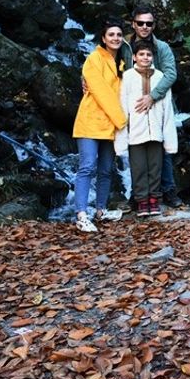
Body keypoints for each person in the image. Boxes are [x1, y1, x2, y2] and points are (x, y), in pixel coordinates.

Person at [71, 20, 129, 233]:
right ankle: (81, 215)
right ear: (103, 38)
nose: (115, 38)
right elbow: (102, 93)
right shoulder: (93, 59)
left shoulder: (122, 62)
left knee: (106, 169)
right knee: (87, 166)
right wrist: (123, 121)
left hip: (110, 125)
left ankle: (101, 210)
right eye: (111, 34)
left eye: (119, 34)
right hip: (91, 121)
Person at [123, 5, 184, 207]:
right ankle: (138, 195)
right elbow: (110, 68)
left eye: (149, 23)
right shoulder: (124, 47)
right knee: (137, 152)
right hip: (133, 107)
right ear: (134, 23)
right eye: (140, 23)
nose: (144, 27)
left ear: (153, 25)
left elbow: (171, 74)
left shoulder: (162, 48)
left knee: (162, 150)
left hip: (158, 104)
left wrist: (153, 96)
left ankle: (167, 191)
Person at [116, 39, 178, 217]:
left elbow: (167, 108)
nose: (145, 57)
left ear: (153, 57)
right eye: (141, 54)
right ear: (134, 57)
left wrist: (169, 138)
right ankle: (142, 201)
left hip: (156, 132)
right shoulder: (127, 77)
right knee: (139, 167)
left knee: (155, 167)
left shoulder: (159, 76)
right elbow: (123, 106)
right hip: (135, 131)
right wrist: (122, 137)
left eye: (148, 54)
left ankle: (154, 200)